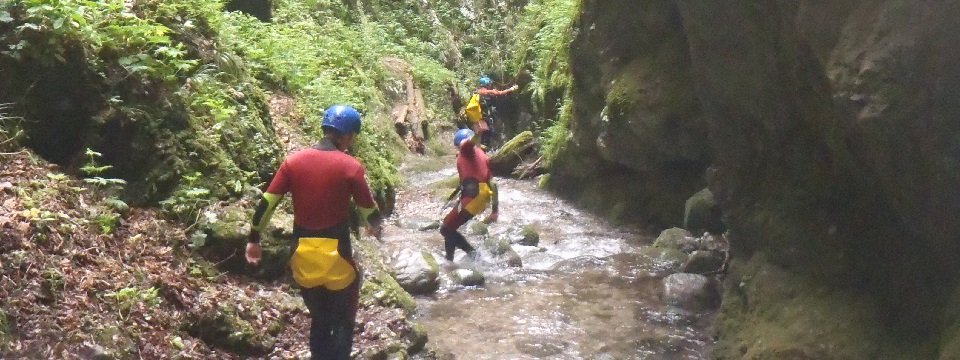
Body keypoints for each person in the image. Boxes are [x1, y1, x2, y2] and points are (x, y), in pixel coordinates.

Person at [245, 105, 383, 360]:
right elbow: (369, 211)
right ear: (350, 135)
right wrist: (377, 228)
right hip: (337, 259)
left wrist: (254, 240)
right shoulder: (351, 167)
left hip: (302, 258)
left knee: (319, 319)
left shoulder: (293, 162)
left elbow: (267, 203)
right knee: (342, 321)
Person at [439, 128, 499, 261]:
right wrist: (495, 211)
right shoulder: (483, 156)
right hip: (482, 198)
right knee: (449, 227)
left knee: (445, 230)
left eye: (457, 146)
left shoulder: (468, 150)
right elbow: (494, 184)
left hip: (473, 197)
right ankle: (450, 261)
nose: (457, 150)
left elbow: (469, 143)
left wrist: (478, 133)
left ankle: (473, 255)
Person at [474, 75, 519, 147]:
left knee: (483, 134)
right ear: (487, 84)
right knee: (489, 133)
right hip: (486, 117)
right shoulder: (489, 92)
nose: (490, 85)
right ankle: (487, 149)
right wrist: (512, 89)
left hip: (478, 117)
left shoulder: (476, 91)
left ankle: (483, 148)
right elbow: (501, 93)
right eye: (489, 84)